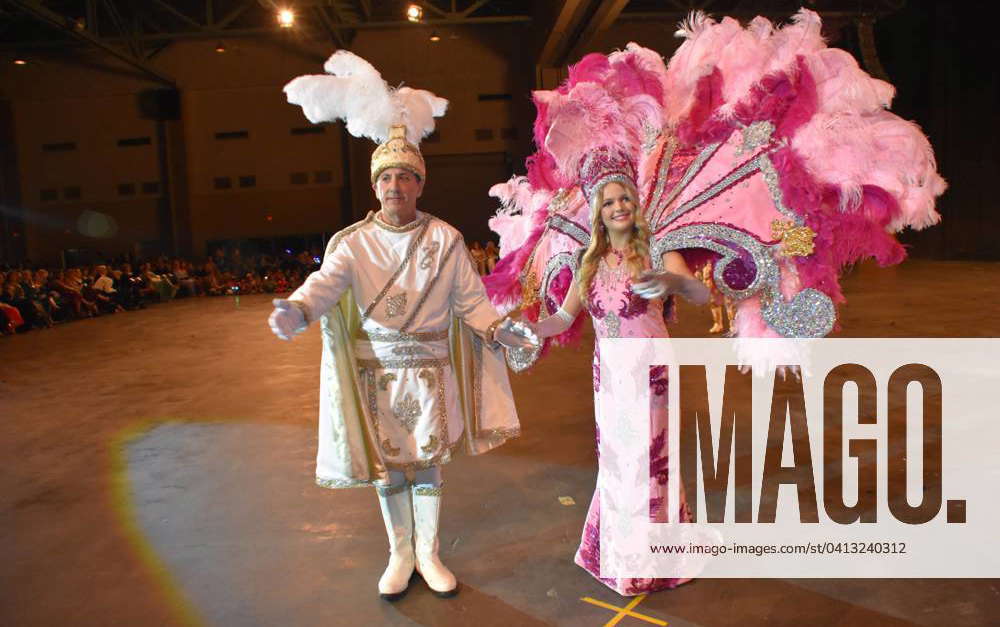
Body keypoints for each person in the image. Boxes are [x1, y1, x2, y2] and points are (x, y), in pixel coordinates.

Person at [272, 51, 536, 602]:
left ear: (420, 185)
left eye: (405, 177)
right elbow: (326, 284)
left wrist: (502, 331)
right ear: (376, 187)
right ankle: (398, 552)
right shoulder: (351, 243)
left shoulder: (446, 239)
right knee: (388, 468)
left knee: (429, 465)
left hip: (431, 369)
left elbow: (472, 302)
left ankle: (429, 552)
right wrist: (297, 309)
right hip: (376, 372)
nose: (395, 185)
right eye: (386, 177)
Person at [524, 152, 709, 595]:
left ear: (636, 203)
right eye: (608, 202)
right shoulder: (588, 262)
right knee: (617, 460)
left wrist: (674, 283)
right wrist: (526, 330)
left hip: (652, 370)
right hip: (609, 374)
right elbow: (564, 319)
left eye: (625, 197)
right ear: (598, 212)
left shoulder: (659, 248)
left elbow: (699, 293)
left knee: (651, 459)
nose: (618, 207)